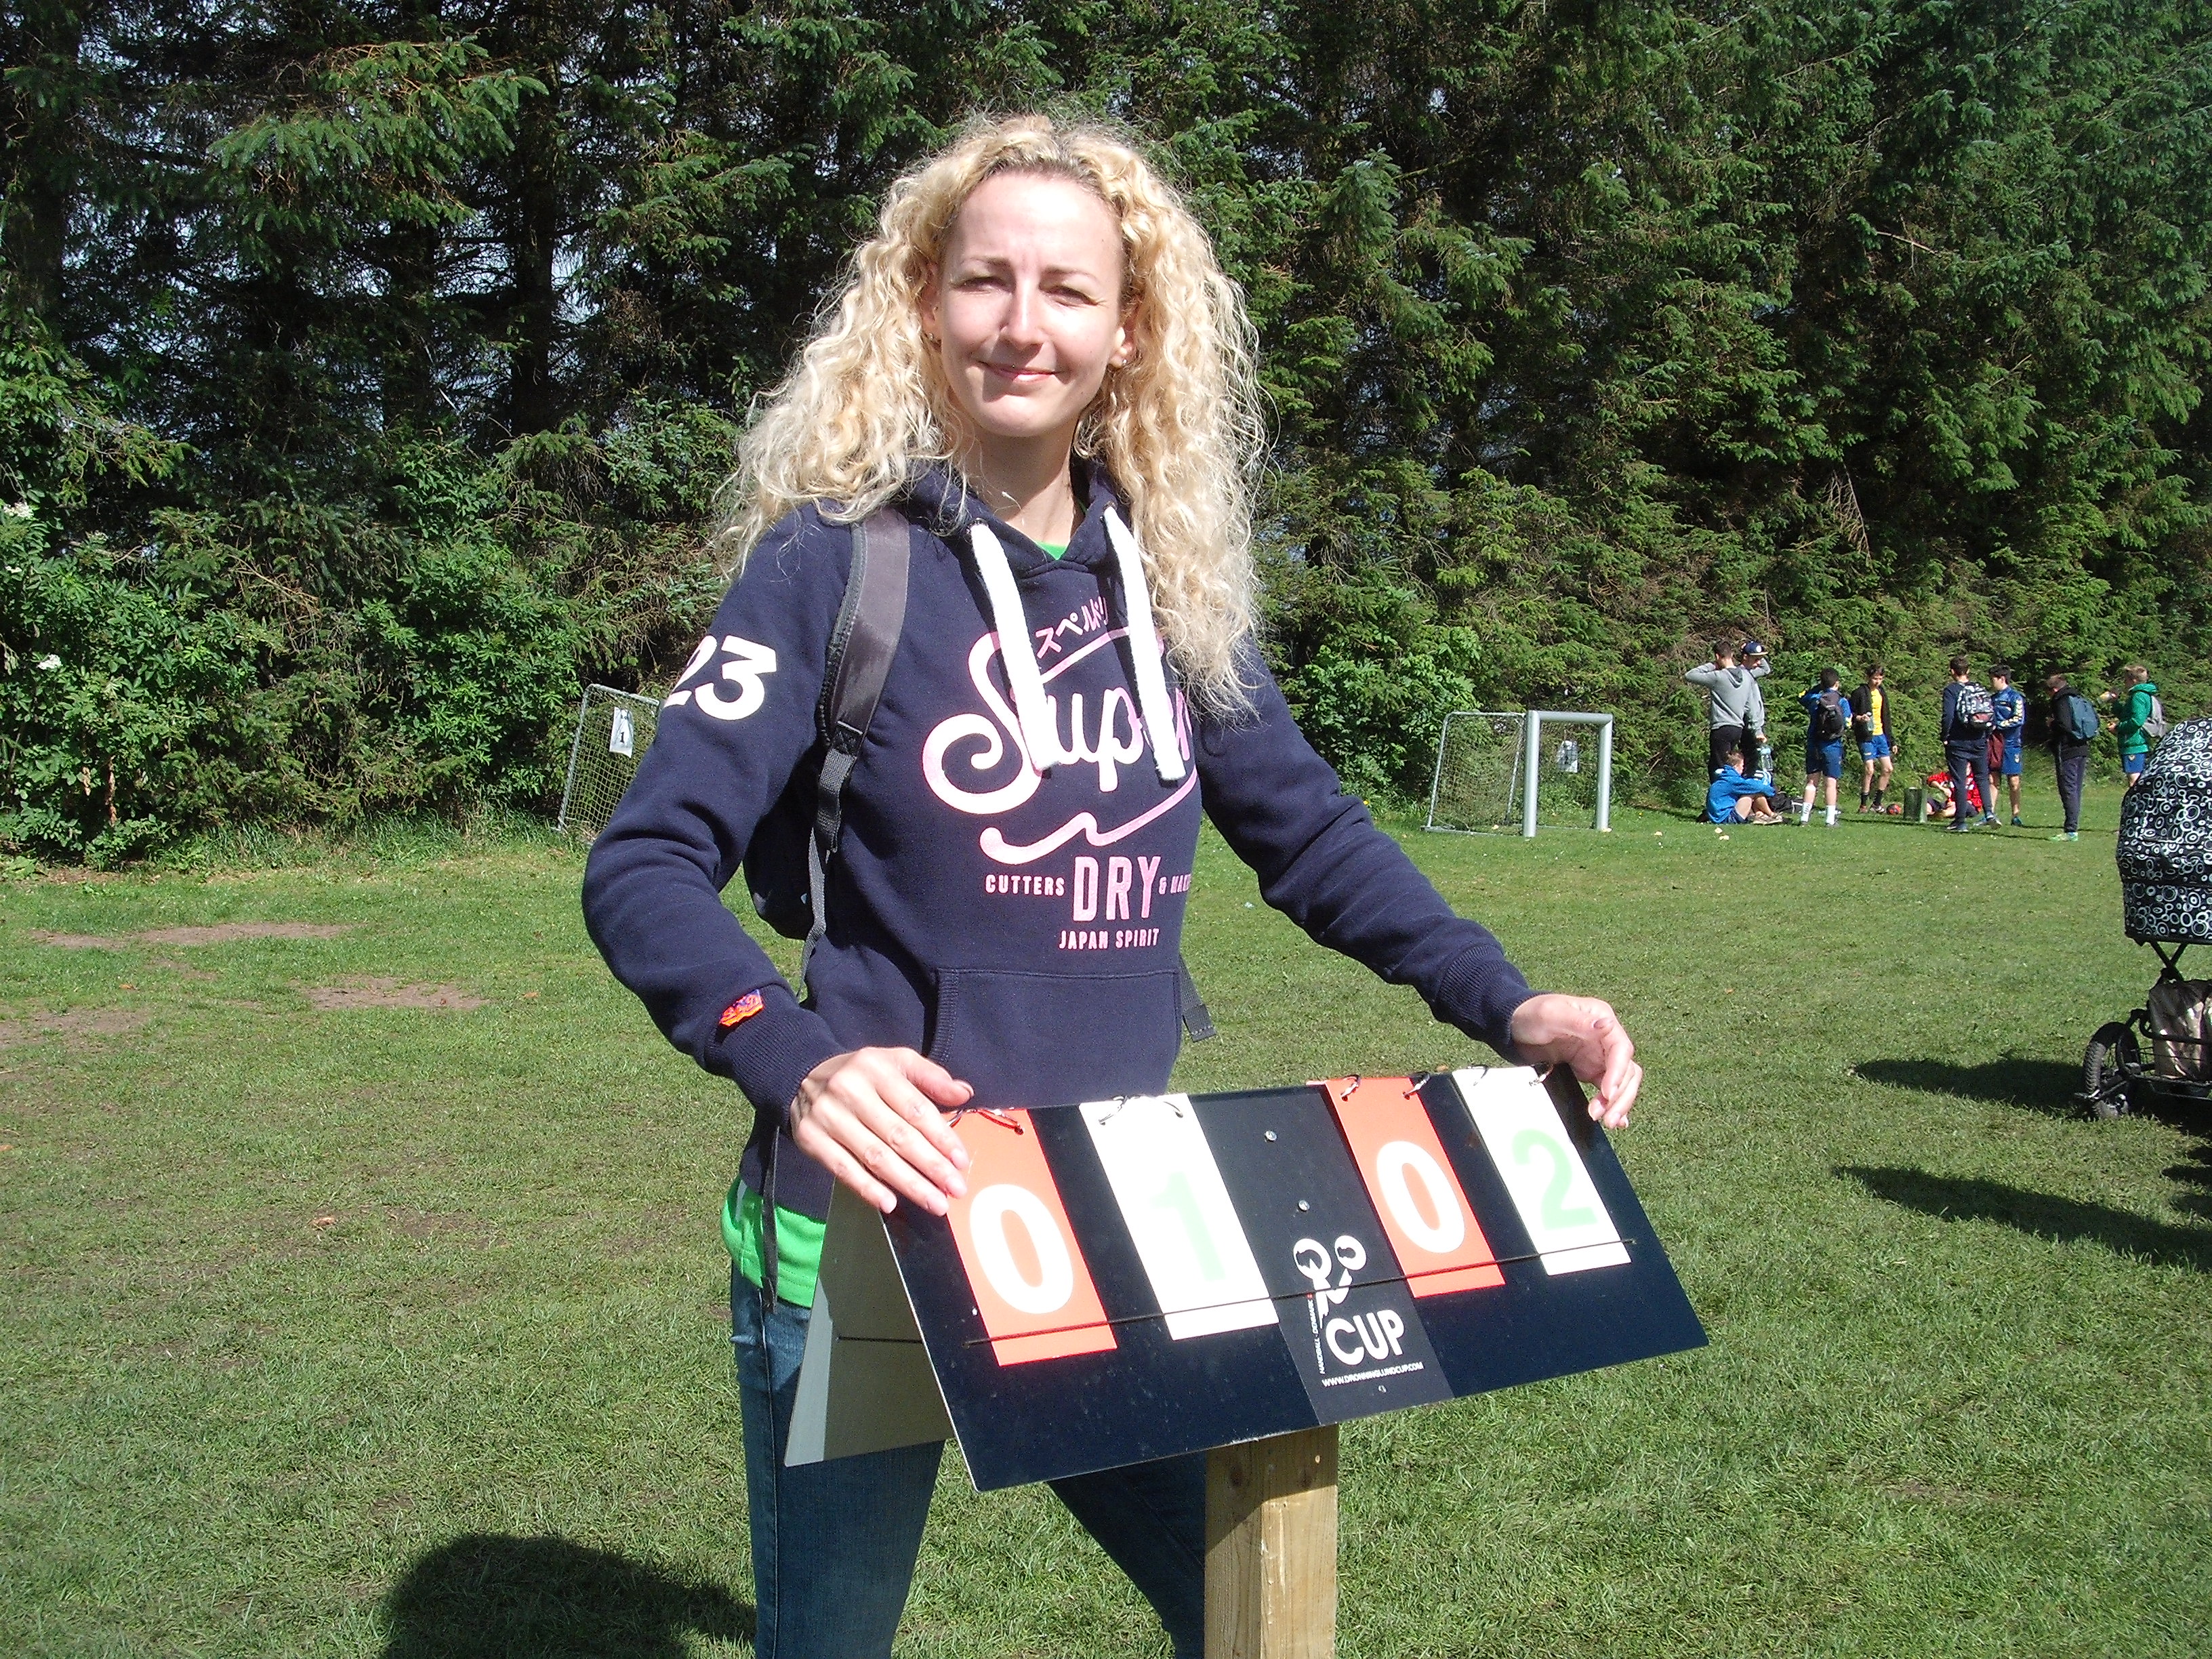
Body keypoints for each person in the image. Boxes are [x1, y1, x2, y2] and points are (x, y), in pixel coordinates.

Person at [578, 116, 1643, 1659]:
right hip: (861, 1239)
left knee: (1246, 1616)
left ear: (1128, 330)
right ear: (922, 302)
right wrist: (790, 1054)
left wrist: (1506, 997)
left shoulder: (1169, 583)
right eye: (984, 280)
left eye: (1067, 290)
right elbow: (645, 860)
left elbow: (1311, 835)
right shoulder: (830, 564)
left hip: (1099, 1230)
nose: (1022, 323)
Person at [1685, 642, 1769, 777]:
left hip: (1721, 727)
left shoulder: (1718, 677)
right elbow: (1751, 706)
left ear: (1717, 656)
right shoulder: (1747, 677)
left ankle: (1722, 791)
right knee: (1733, 764)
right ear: (1732, 655)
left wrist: (1714, 665)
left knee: (1718, 769)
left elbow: (1690, 675)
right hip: (1738, 728)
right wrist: (1758, 729)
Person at [1939, 655, 1996, 832]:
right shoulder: (1978, 689)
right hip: (1979, 739)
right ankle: (1989, 813)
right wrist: (1986, 734)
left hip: (1958, 741)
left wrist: (1945, 736)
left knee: (1959, 780)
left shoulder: (1951, 690)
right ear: (1968, 671)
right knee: (1982, 777)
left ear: (1952, 672)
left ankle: (1960, 821)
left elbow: (1948, 715)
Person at [1796, 668, 1851, 826]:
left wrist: (1818, 688)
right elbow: (1848, 723)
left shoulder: (1815, 699)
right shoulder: (1842, 701)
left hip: (1814, 743)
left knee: (1811, 782)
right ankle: (1830, 820)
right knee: (1831, 782)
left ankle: (1804, 818)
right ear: (1837, 683)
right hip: (1832, 745)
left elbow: (1801, 697)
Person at [2046, 672, 2096, 840]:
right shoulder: (2077, 697)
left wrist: (2052, 724)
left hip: (2068, 749)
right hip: (2082, 747)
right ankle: (2073, 826)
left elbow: (2064, 725)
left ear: (2054, 690)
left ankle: (2071, 830)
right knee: (2076, 788)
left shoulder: (2061, 701)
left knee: (2068, 788)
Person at [2102, 664, 2161, 788]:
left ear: (2133, 680)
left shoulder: (2138, 697)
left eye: (2126, 680)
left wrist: (2117, 728)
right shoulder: (2141, 695)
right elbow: (2126, 715)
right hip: (2135, 743)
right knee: (2136, 778)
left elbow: (2136, 721)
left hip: (2134, 744)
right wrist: (2115, 703)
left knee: (2134, 779)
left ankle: (2138, 800)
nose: (2124, 683)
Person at [1851, 664, 1896, 811]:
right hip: (1866, 736)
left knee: (1888, 769)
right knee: (1869, 770)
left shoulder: (1882, 693)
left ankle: (1877, 803)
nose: (1877, 682)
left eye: (1880, 679)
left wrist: (1891, 740)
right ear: (1868, 677)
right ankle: (1863, 804)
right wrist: (1859, 718)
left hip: (1880, 735)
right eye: (1875, 679)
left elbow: (1886, 717)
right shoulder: (1859, 693)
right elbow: (1849, 713)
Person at [1706, 746, 1786, 825]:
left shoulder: (1724, 778)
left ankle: (1760, 815)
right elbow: (1757, 787)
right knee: (1752, 792)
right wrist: (1772, 791)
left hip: (1718, 818)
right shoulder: (1732, 781)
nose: (1743, 769)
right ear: (1736, 766)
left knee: (1749, 791)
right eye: (1742, 766)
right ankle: (1772, 815)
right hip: (1727, 819)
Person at [1989, 665, 2026, 825]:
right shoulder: (1991, 699)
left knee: (2013, 781)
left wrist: (1999, 725)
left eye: (1993, 679)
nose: (1991, 683)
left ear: (2002, 679)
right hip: (1994, 743)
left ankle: (2016, 815)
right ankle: (1989, 814)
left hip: (2011, 744)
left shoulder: (2015, 697)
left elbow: (2019, 719)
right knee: (1993, 779)